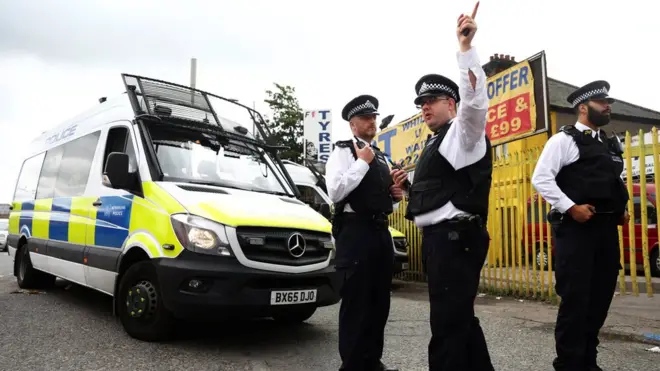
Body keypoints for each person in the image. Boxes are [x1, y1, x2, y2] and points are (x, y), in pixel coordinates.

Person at [389, 10, 495, 371]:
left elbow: (477, 104)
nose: (423, 108)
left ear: (451, 104)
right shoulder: (437, 144)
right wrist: (410, 189)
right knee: (459, 319)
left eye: (430, 101)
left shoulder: (464, 132)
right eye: (420, 104)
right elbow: (441, 192)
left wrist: (465, 48)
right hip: (444, 240)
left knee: (447, 326)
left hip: (455, 241)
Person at [530, 80, 630, 371]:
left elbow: (611, 182)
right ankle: (569, 363)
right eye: (602, 103)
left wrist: (620, 211)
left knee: (599, 299)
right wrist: (571, 208)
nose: (608, 106)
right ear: (584, 108)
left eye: (608, 102)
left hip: (605, 231)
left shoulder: (608, 143)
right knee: (576, 301)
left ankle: (588, 361)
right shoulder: (564, 140)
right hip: (576, 232)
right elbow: (541, 179)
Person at [326, 94, 402, 371]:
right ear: (352, 125)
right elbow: (335, 191)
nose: (372, 122)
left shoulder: (380, 156)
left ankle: (372, 362)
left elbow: (379, 196)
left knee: (379, 302)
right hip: (356, 233)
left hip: (380, 233)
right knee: (357, 304)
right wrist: (361, 163)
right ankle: (353, 365)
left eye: (374, 117)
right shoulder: (343, 152)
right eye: (365, 118)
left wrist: (394, 195)